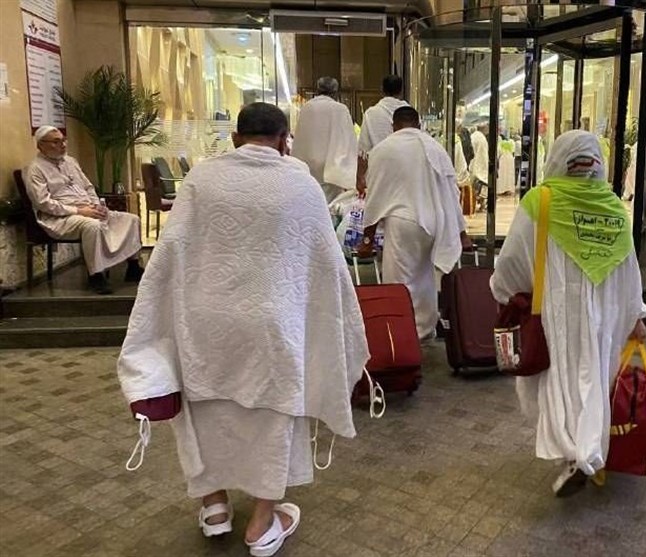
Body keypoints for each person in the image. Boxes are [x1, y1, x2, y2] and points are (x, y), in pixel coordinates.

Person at [117, 103, 370, 556]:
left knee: (205, 412)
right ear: (285, 140)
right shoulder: (300, 184)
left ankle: (214, 506)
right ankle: (261, 523)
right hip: (273, 325)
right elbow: (327, 262)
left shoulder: (201, 179)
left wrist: (155, 320)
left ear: (235, 138)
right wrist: (344, 324)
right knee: (274, 417)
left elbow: (170, 251)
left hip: (206, 322)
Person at [490, 130, 646, 498]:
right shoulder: (613, 207)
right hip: (606, 314)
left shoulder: (540, 201)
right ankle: (587, 450)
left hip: (557, 312)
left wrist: (504, 291)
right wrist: (636, 314)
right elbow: (630, 269)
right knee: (594, 379)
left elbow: (512, 260)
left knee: (561, 381)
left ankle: (579, 453)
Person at [357, 106, 471, 340]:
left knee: (400, 282)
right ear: (418, 125)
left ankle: (404, 334)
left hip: (403, 223)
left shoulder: (384, 149)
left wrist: (367, 239)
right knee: (425, 278)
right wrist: (461, 233)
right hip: (434, 222)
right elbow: (451, 191)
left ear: (393, 127)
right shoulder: (435, 147)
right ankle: (425, 329)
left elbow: (375, 195)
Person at [24, 125, 144, 294]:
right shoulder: (35, 169)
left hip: (88, 209)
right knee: (92, 226)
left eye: (63, 140)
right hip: (60, 218)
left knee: (131, 219)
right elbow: (43, 203)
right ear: (40, 145)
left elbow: (88, 187)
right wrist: (79, 211)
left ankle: (133, 267)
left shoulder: (71, 161)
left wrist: (97, 206)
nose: (62, 145)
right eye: (56, 142)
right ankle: (96, 275)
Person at [291, 77, 358, 203]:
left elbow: (299, 138)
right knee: (330, 207)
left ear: (317, 90)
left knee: (310, 203)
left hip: (307, 167)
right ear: (335, 92)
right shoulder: (340, 109)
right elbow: (348, 140)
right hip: (331, 168)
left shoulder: (307, 107)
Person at [356, 75, 409, 194]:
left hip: (378, 177)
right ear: (401, 90)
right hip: (406, 177)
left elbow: (363, 153)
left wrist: (360, 178)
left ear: (382, 90)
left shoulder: (371, 114)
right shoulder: (411, 114)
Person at [469, 123, 490, 211]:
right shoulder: (482, 138)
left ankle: (472, 205)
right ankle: (481, 205)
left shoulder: (473, 136)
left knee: (472, 186)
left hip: (471, 163)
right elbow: (483, 155)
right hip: (479, 165)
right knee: (482, 187)